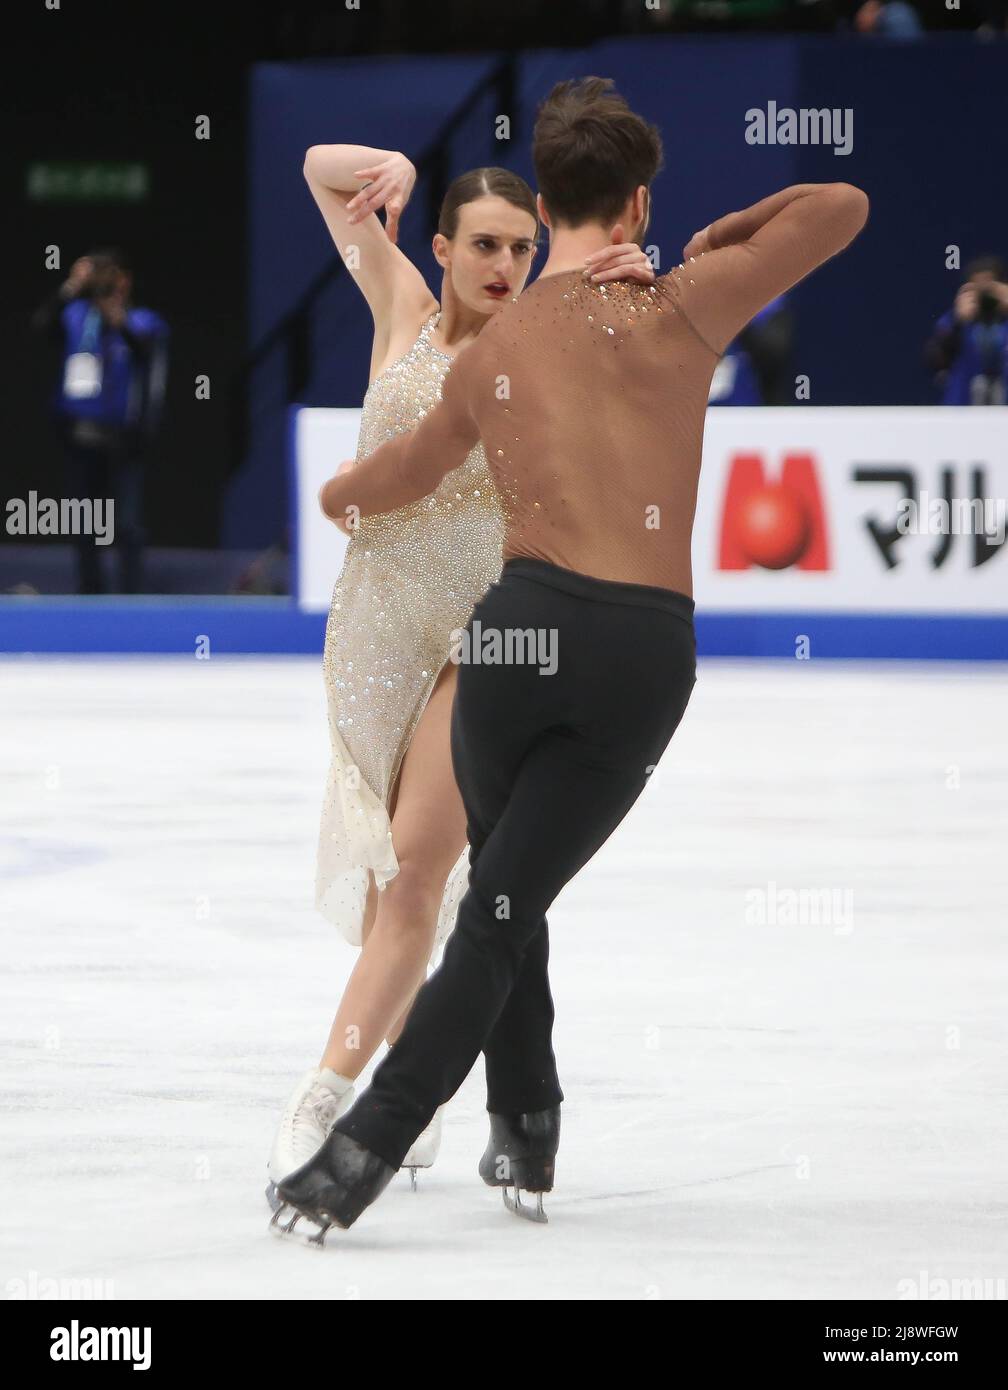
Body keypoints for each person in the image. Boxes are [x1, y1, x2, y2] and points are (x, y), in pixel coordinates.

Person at [275, 77, 870, 1237]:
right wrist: (713, 237)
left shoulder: (498, 346)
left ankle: (518, 1119)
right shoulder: (687, 301)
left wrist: (342, 490)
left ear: (542, 209)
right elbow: (840, 204)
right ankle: (377, 1150)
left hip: (515, 634)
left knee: (504, 882)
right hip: (640, 654)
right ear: (636, 203)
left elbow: (408, 473)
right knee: (501, 901)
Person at [266, 145, 655, 1202]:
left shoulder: (556, 339)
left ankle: (323, 1096)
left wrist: (644, 285)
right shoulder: (396, 303)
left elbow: (653, 364)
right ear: (438, 250)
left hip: (478, 643)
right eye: (483, 244)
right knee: (418, 886)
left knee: (414, 876)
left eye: (523, 248)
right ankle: (457, 1086)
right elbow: (317, 171)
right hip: (375, 635)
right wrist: (386, 161)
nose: (504, 264)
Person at [31, 249, 169, 594]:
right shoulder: (76, 315)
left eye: (115, 276)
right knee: (85, 520)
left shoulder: (141, 321)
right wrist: (71, 286)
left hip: (125, 438)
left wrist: (118, 321)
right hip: (81, 436)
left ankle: (130, 594)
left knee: (127, 523)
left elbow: (146, 353)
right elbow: (42, 325)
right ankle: (89, 592)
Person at [925, 256, 1008, 406]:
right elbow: (936, 362)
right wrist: (958, 322)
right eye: (978, 289)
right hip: (962, 412)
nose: (984, 295)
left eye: (989, 289)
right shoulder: (954, 321)